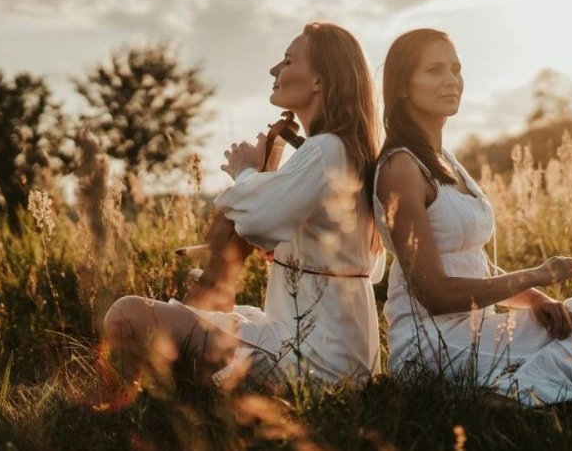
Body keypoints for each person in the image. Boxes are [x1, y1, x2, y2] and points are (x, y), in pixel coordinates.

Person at [373, 28, 572, 405]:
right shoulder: (400, 168)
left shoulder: (445, 160)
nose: (451, 80)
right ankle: (513, 396)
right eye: (434, 70)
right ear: (403, 87)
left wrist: (537, 299)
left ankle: (535, 388)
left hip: (474, 326)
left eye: (455, 69)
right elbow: (435, 294)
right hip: (431, 343)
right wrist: (536, 273)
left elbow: (476, 266)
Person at [103, 22, 383, 388]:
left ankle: (190, 400)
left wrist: (246, 171)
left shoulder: (325, 148)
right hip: (336, 350)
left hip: (314, 358)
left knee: (126, 315)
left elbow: (260, 219)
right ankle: (203, 389)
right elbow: (364, 266)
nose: (274, 70)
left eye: (287, 61)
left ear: (319, 80)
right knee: (212, 316)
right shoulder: (348, 150)